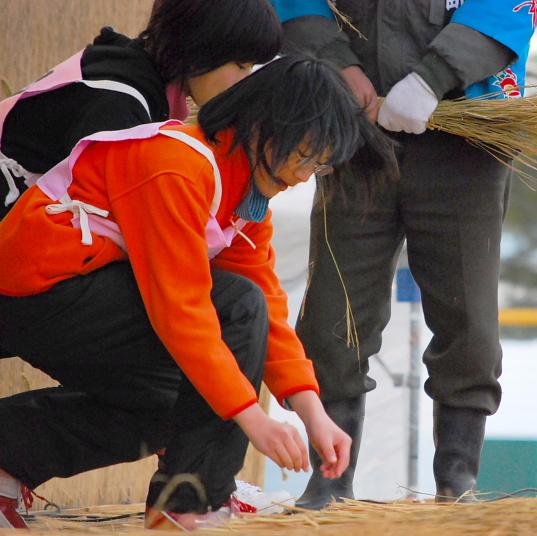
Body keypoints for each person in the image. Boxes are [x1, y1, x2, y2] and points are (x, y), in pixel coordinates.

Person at [0, 56, 397, 530]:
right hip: (36, 292)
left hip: (80, 297)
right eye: (305, 154)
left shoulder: (247, 195)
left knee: (190, 402)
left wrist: (313, 413)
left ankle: (7, 455)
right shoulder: (176, 165)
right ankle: (192, 503)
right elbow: (182, 308)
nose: (303, 175)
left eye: (320, 164)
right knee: (231, 321)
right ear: (264, 123)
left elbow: (268, 306)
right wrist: (252, 418)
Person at [270, 0, 537, 507]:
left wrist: (432, 79)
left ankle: (457, 480)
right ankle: (330, 480)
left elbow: (508, 7)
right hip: (354, 132)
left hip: (467, 131)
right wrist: (338, 64)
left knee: (469, 318)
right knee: (333, 313)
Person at [0, 0, 281, 219]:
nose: (246, 82)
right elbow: (102, 217)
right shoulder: (120, 106)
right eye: (241, 65)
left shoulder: (127, 67)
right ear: (201, 45)